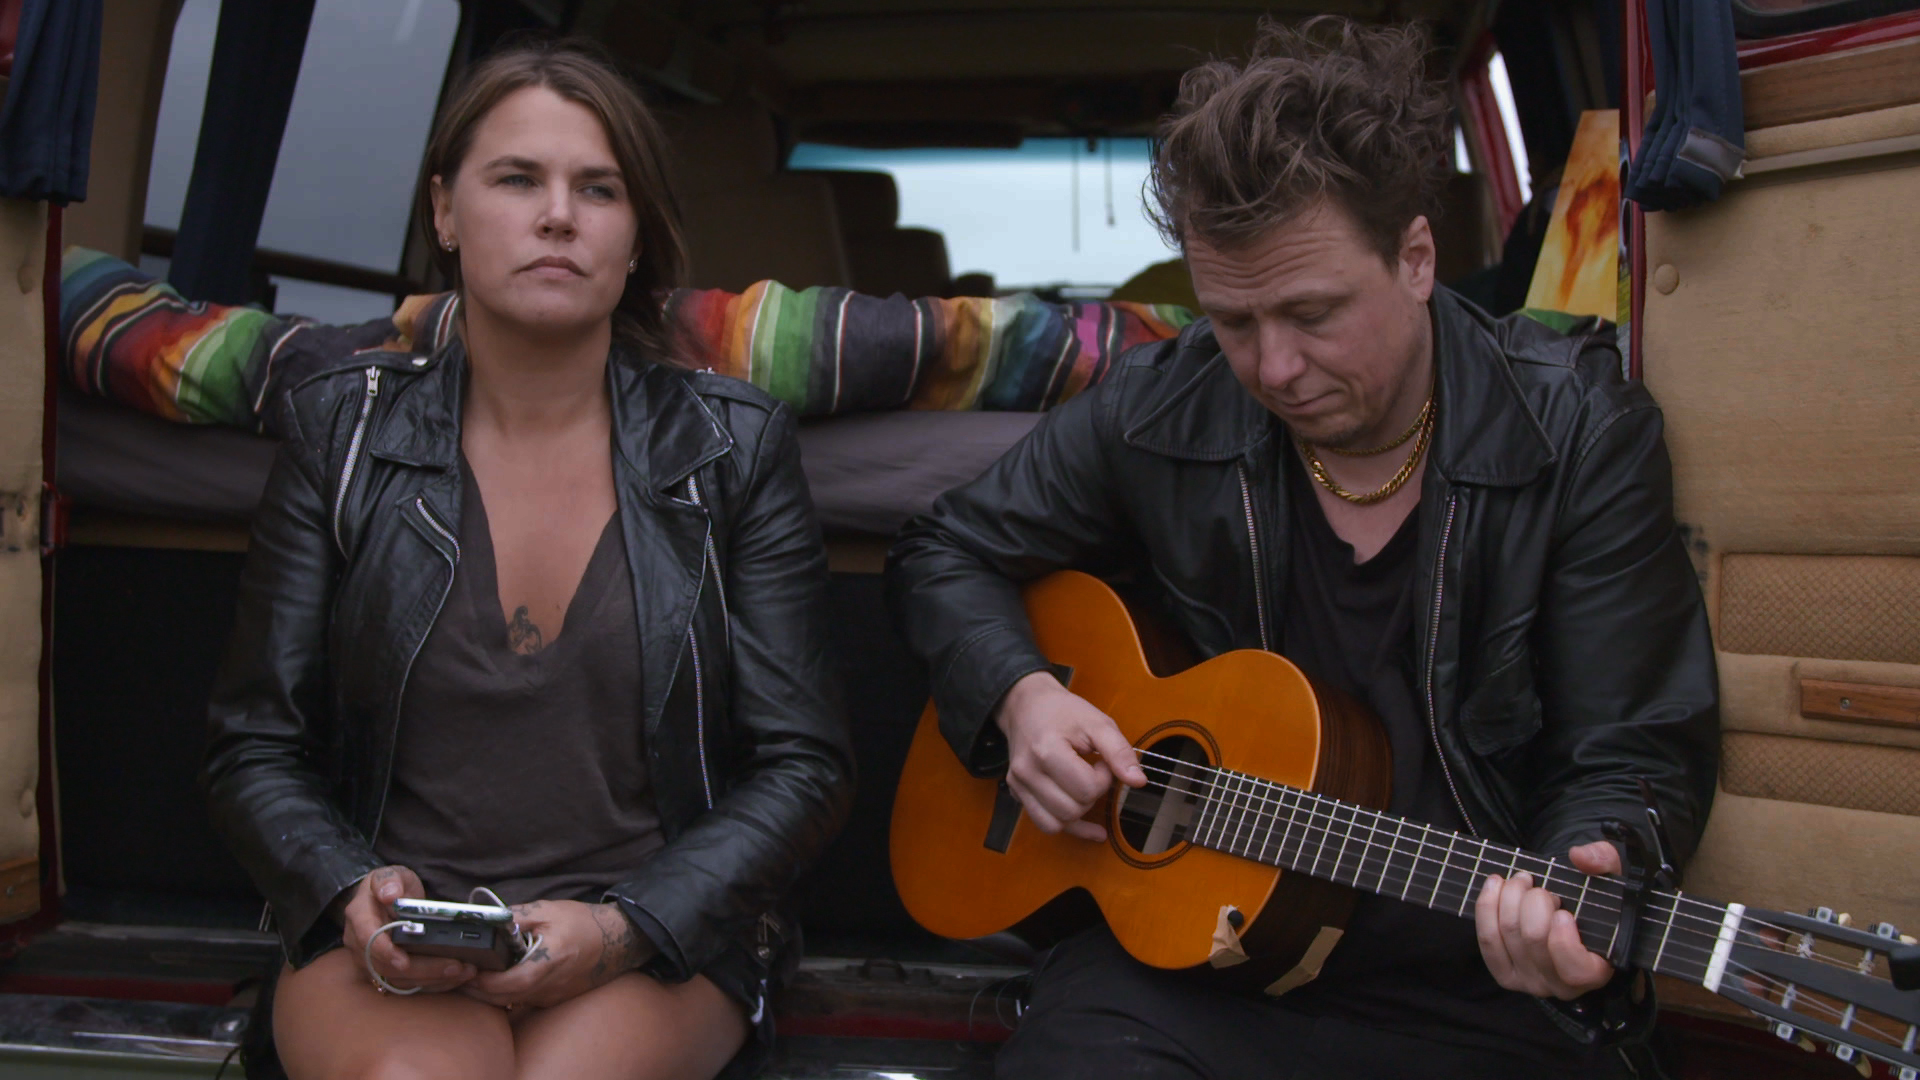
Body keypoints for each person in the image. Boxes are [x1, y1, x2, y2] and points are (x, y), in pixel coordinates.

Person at [885, 17, 1718, 1080]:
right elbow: (943, 550)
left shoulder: (1580, 434)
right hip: (1194, 963)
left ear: (1416, 258)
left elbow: (1630, 752)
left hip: (1469, 984)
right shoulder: (1163, 401)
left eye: (1312, 313)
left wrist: (1584, 883)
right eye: (1233, 321)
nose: (1272, 367)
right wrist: (1022, 697)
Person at [199, 40, 853, 1080]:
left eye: (598, 188)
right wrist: (348, 893)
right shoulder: (341, 435)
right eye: (516, 179)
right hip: (388, 931)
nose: (558, 216)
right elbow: (252, 748)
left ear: (636, 236)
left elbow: (805, 767)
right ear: (445, 211)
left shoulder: (733, 448)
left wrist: (626, 927)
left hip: (656, 936)